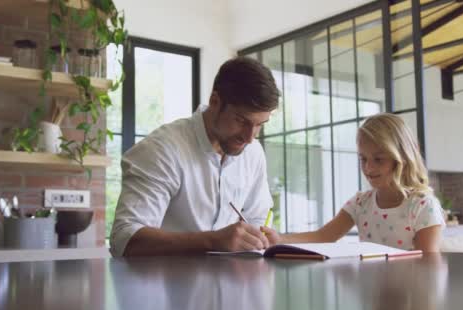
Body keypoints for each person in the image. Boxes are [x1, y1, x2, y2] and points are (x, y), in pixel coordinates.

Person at [110, 56, 281, 257]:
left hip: (233, 283)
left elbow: (256, 219)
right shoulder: (162, 150)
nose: (250, 137)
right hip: (162, 285)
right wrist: (211, 240)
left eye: (260, 124)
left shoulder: (253, 153)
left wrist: (261, 238)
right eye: (241, 120)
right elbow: (124, 239)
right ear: (215, 102)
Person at [262, 113, 445, 252]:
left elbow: (427, 264)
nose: (368, 168)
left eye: (379, 160)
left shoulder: (422, 206)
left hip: (410, 297)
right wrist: (279, 238)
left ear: (402, 158)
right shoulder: (360, 203)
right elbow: (324, 236)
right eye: (363, 159)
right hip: (372, 296)